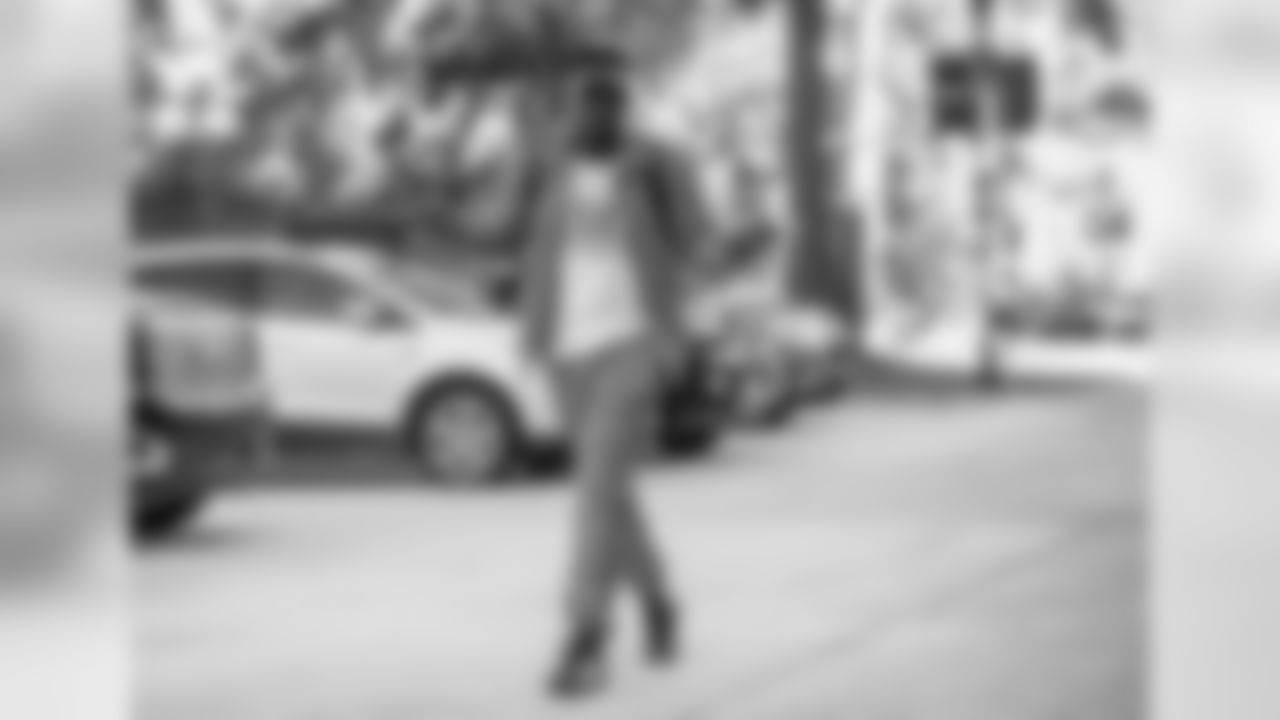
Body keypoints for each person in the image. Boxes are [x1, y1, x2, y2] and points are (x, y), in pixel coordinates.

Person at [513, 56, 711, 698]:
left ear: (623, 110)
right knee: (610, 492)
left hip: (634, 344)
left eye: (607, 101)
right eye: (583, 101)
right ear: (570, 109)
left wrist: (708, 261)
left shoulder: (656, 164)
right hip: (566, 352)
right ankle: (659, 600)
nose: (594, 112)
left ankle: (585, 634)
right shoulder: (549, 167)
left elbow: (699, 238)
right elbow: (522, 244)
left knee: (595, 492)